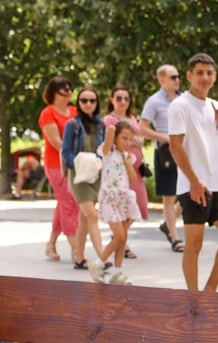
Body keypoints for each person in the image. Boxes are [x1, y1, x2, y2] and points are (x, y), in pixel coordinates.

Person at [168, 52, 218, 292]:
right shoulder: (180, 106)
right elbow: (175, 146)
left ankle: (210, 291)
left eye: (209, 73)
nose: (205, 77)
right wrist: (195, 182)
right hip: (193, 185)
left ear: (215, 76)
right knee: (194, 245)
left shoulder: (217, 107)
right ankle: (192, 297)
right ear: (189, 75)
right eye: (199, 73)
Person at [89, 122, 143, 285]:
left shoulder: (128, 157)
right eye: (124, 138)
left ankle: (117, 272)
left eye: (130, 139)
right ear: (116, 138)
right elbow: (109, 134)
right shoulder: (108, 152)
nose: (127, 142)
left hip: (124, 199)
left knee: (123, 238)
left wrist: (128, 164)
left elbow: (133, 180)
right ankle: (98, 264)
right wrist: (112, 130)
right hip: (110, 198)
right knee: (119, 236)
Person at [140, 64, 185, 253]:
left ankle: (169, 223)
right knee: (169, 195)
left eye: (178, 76)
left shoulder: (185, 99)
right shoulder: (154, 101)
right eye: (173, 77)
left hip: (186, 150)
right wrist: (165, 137)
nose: (177, 80)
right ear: (162, 80)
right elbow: (142, 128)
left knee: (189, 191)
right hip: (166, 151)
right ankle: (174, 237)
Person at [61, 87, 107, 270]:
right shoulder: (72, 125)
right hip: (79, 175)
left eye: (92, 101)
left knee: (84, 217)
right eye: (84, 100)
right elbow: (66, 153)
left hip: (96, 174)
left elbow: (104, 149)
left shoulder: (101, 125)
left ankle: (79, 257)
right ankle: (103, 257)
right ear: (78, 103)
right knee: (92, 215)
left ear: (97, 103)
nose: (88, 104)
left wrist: (98, 165)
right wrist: (80, 165)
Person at [38, 76, 80, 265]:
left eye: (70, 89)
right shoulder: (48, 113)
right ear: (54, 93)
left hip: (77, 164)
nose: (69, 93)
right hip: (57, 165)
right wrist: (73, 156)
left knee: (64, 203)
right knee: (70, 203)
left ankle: (51, 244)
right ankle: (76, 249)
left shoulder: (74, 111)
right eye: (64, 90)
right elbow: (56, 142)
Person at [104, 85, 148, 259]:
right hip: (118, 169)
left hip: (136, 167)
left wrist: (134, 141)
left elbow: (142, 140)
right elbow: (110, 143)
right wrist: (132, 141)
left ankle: (119, 237)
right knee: (123, 205)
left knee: (139, 204)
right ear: (112, 100)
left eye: (126, 98)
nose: (123, 102)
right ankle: (121, 242)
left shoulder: (132, 118)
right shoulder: (109, 120)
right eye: (119, 98)